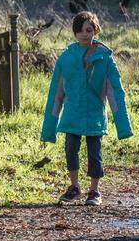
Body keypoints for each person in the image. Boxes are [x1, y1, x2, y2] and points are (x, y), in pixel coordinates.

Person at [41, 11, 133, 205]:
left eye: (89, 30)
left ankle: (94, 191)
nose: (84, 34)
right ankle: (74, 187)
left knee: (95, 153)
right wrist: (49, 127)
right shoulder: (65, 59)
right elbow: (55, 95)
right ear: (74, 33)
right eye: (80, 30)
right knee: (70, 149)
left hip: (95, 115)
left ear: (95, 31)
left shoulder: (105, 59)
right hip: (72, 114)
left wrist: (123, 126)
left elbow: (116, 92)